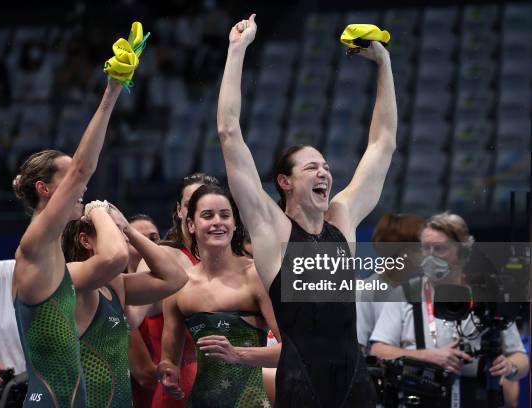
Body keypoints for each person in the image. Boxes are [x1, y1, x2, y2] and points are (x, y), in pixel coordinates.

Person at [216, 14, 396, 407]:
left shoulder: (342, 221)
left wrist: (384, 65)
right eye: (311, 167)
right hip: (301, 384)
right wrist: (237, 51)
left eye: (327, 166)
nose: (324, 172)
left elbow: (382, 144)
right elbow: (230, 133)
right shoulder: (272, 231)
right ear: (285, 182)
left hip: (355, 382)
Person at [12, 74, 126, 407]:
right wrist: (111, 91)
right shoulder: (33, 245)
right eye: (69, 180)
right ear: (43, 189)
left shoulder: (53, 258)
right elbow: (82, 170)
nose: (82, 188)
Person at [370, 212, 529, 407]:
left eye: (440, 249)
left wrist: (509, 367)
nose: (430, 255)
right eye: (425, 248)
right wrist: (429, 356)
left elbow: (521, 359)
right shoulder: (405, 294)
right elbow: (378, 351)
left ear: (463, 253)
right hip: (420, 398)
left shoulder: (487, 296)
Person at [158, 184, 281, 406]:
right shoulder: (179, 285)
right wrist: (168, 371)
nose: (218, 221)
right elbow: (169, 360)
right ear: (191, 225)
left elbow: (293, 350)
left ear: (234, 224)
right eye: (208, 215)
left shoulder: (257, 275)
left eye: (225, 215)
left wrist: (238, 354)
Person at [61, 204, 187, 408]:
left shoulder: (115, 284)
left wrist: (128, 228)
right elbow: (115, 256)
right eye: (114, 232)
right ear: (85, 241)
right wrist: (97, 211)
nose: (124, 240)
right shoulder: (69, 276)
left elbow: (176, 278)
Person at [130, 173, 219, 408]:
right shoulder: (163, 259)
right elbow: (127, 317)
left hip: (232, 393)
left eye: (208, 205)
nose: (199, 212)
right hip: (179, 396)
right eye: (192, 205)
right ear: (180, 210)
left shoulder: (238, 263)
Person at [356, 213, 425, 349]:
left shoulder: (423, 288)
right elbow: (359, 347)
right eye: (422, 247)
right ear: (402, 251)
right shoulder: (364, 293)